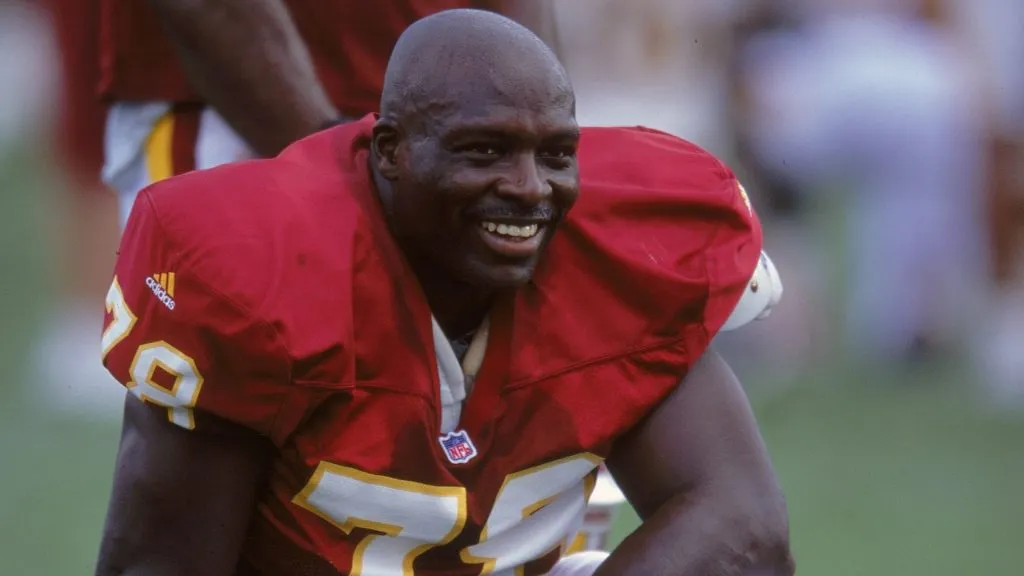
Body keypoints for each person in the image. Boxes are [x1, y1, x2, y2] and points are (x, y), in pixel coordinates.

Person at [96, 9, 792, 576]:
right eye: (484, 152)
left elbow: (744, 532)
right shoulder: (256, 276)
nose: (528, 190)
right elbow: (157, 562)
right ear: (389, 155)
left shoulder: (619, 251)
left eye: (554, 154)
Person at [100, 0, 560, 228]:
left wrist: (542, 130)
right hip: (239, 109)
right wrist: (332, 163)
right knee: (255, 397)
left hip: (470, 123)